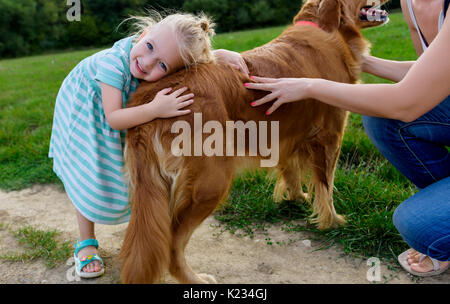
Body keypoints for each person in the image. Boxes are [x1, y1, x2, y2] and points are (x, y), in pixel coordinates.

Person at [244, 0, 450, 277]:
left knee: (416, 225)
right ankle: (441, 204)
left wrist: (310, 85)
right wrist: (350, 57)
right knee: (380, 119)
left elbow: (406, 103)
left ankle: (438, 219)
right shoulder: (413, 3)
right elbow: (431, 72)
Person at [48, 12, 245, 279]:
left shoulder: (155, 52)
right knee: (89, 173)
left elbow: (184, 63)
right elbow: (115, 118)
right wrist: (155, 109)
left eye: (162, 66)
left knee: (119, 171)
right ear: (143, 34)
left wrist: (219, 55)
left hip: (118, 112)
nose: (147, 62)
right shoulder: (112, 65)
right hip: (89, 112)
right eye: (149, 47)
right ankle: (86, 243)